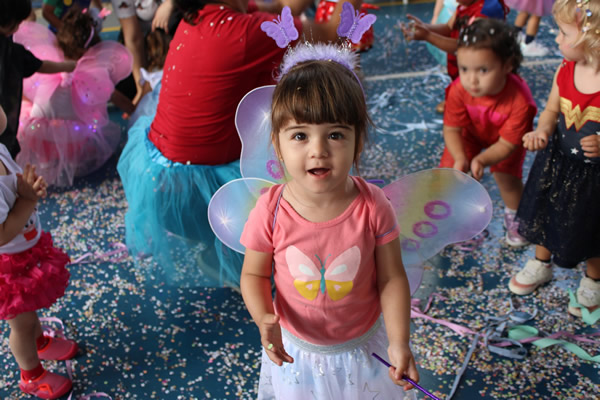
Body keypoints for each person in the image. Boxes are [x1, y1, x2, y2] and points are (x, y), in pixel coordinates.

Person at [117, 0, 362, 289]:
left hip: (158, 179)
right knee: (306, 156)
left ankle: (226, 246)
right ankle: (241, 256)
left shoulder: (195, 18)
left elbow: (273, 8)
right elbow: (330, 31)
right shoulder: (249, 32)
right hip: (199, 194)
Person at [239, 25, 419, 397]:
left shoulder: (373, 206)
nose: (318, 150)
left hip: (363, 349)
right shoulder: (270, 210)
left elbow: (391, 278)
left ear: (358, 141)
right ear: (277, 143)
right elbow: (254, 275)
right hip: (297, 353)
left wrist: (400, 341)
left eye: (335, 134)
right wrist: (263, 319)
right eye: (300, 135)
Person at [509, 0, 600, 318]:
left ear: (592, 38)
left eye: (563, 33)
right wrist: (542, 132)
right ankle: (541, 262)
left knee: (593, 228)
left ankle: (593, 279)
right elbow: (551, 110)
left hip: (594, 178)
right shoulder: (565, 70)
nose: (557, 40)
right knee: (546, 211)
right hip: (557, 163)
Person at [0, 104, 76, 400]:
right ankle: (31, 374)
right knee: (20, 322)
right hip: (6, 263)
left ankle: (41, 342)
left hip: (23, 249)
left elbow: (14, 185)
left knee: (31, 310)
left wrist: (26, 187)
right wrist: (28, 201)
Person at [439, 18, 537, 248]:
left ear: (507, 65)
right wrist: (462, 157)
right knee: (455, 172)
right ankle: (463, 219)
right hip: (470, 133)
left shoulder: (521, 100)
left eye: (483, 70)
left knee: (507, 178)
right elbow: (452, 128)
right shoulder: (458, 89)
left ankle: (516, 216)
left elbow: (507, 145)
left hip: (506, 141)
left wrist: (482, 159)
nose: (471, 79)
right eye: (464, 69)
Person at [14, 8, 133, 187]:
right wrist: (135, 110)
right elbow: (114, 98)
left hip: (37, 130)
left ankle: (46, 164)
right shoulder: (94, 73)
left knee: (31, 111)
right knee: (89, 118)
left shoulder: (46, 62)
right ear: (90, 47)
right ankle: (70, 162)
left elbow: (26, 90)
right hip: (73, 136)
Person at [401, 0, 508, 114]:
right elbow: (448, 28)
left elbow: (466, 47)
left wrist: (428, 36)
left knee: (483, 106)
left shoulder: (486, 11)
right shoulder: (465, 6)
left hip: (482, 75)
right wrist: (424, 28)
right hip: (464, 70)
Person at [0, 0, 76, 159]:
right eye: (17, 23)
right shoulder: (13, 52)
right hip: (6, 125)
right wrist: (67, 66)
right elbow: (40, 65)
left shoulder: (12, 50)